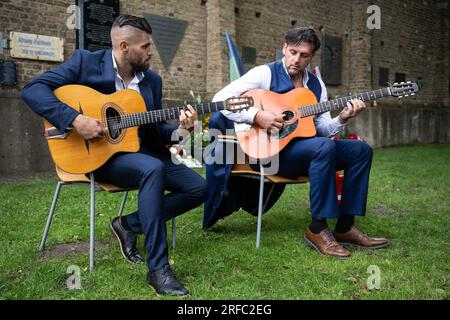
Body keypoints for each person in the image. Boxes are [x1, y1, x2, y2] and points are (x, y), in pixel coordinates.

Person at [22, 15, 208, 295]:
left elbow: (155, 131)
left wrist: (182, 130)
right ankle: (158, 270)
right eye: (145, 46)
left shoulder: (151, 81)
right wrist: (74, 119)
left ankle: (128, 224)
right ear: (124, 46)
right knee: (151, 170)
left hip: (141, 152)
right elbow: (33, 89)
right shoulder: (86, 62)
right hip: (99, 155)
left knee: (199, 188)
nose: (150, 52)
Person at [204, 27, 388, 258]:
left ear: (312, 57)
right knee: (324, 147)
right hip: (269, 153)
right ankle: (317, 228)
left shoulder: (315, 85)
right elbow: (219, 100)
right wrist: (256, 115)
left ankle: (345, 227)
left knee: (359, 150)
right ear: (284, 48)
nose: (296, 60)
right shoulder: (264, 74)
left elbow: (320, 129)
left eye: (304, 55)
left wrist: (342, 118)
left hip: (305, 151)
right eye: (293, 52)